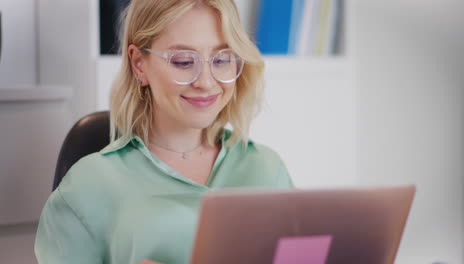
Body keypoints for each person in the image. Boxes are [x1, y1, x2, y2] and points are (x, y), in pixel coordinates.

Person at [34, 0, 294, 263]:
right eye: (182, 61)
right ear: (139, 64)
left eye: (222, 59)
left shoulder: (267, 169)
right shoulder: (87, 187)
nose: (205, 82)